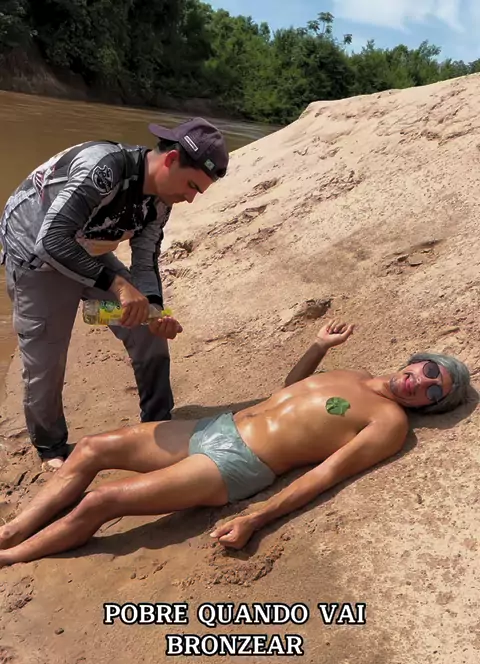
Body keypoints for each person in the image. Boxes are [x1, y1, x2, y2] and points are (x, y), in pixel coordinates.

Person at [0, 321, 471, 568]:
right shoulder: (356, 373)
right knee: (91, 449)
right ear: (418, 360)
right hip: (217, 427)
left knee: (103, 500)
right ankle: (13, 530)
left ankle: (11, 556)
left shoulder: (389, 423)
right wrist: (318, 347)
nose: (423, 383)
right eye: (430, 371)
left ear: (429, 407)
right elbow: (287, 392)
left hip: (238, 462)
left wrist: (256, 518)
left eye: (435, 392)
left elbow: (326, 474)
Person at [0, 118, 229, 470]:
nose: (190, 198)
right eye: (191, 186)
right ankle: (51, 446)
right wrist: (118, 285)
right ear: (170, 160)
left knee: (149, 328)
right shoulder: (104, 169)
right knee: (46, 356)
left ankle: (158, 421)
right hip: (34, 250)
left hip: (85, 244)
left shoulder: (161, 200)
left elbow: (146, 257)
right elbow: (52, 240)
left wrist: (154, 309)